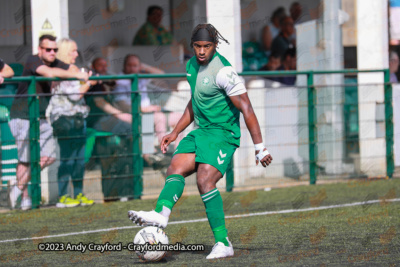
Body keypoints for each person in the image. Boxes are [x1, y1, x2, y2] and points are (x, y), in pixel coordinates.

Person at [128, 24, 273, 260]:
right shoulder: (191, 66)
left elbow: (246, 108)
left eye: (207, 46)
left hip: (223, 133)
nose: (202, 51)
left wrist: (260, 147)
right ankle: (161, 214)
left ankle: (223, 243)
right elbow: (194, 102)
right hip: (201, 131)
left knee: (205, 180)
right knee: (174, 167)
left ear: (214, 45)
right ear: (192, 46)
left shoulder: (224, 71)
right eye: (198, 46)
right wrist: (175, 132)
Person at [8, 35, 88, 210]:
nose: (52, 53)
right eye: (48, 49)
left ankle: (18, 186)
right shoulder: (33, 60)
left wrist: (79, 71)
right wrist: (76, 75)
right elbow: (48, 73)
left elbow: (71, 67)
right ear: (40, 50)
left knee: (50, 156)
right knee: (26, 159)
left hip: (41, 117)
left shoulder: (57, 63)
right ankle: (24, 197)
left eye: (55, 50)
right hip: (22, 115)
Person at [48, 38, 97, 208]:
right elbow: (75, 95)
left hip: (78, 119)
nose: (76, 54)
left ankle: (78, 193)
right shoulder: (62, 71)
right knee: (67, 159)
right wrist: (89, 82)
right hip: (65, 121)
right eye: (73, 51)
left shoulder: (75, 70)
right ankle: (63, 196)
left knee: (79, 159)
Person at [113, 54, 183, 153]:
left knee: (179, 118)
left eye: (135, 65)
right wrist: (144, 109)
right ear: (124, 65)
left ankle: (178, 152)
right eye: (129, 65)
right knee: (159, 118)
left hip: (151, 112)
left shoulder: (140, 76)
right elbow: (123, 106)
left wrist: (144, 67)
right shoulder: (119, 81)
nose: (132, 68)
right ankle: (163, 150)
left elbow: (161, 74)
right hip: (136, 114)